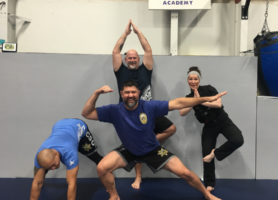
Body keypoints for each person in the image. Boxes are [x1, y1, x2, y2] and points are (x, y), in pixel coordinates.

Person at [81, 80, 227, 200]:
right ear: (121, 94)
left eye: (133, 92)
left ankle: (207, 195)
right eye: (127, 92)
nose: (130, 95)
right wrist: (96, 93)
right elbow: (87, 113)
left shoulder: (149, 106)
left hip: (153, 150)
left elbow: (177, 103)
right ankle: (113, 196)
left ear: (138, 93)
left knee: (186, 173)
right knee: (101, 168)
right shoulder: (114, 111)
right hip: (129, 150)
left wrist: (205, 99)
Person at [112, 19, 176, 189]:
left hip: (148, 111)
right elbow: (115, 51)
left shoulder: (145, 68)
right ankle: (138, 177)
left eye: (134, 57)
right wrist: (125, 34)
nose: (132, 59)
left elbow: (148, 49)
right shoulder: (120, 71)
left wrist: (139, 32)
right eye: (129, 57)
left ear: (138, 59)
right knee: (135, 143)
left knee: (171, 128)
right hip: (127, 114)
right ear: (126, 59)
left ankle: (149, 141)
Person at [179, 66, 244, 192]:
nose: (193, 81)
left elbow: (218, 104)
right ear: (187, 80)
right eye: (190, 79)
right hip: (209, 126)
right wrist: (194, 100)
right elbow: (182, 112)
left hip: (222, 120)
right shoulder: (188, 97)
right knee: (206, 153)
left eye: (195, 79)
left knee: (237, 139)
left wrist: (200, 101)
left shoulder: (209, 88)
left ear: (199, 79)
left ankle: (215, 153)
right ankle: (209, 183)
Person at [30, 118, 103, 200]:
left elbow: (72, 184)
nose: (53, 169)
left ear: (56, 155)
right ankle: (44, 171)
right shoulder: (40, 155)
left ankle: (107, 175)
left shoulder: (70, 154)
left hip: (78, 125)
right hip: (60, 125)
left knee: (95, 157)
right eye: (50, 167)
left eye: (53, 165)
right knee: (40, 176)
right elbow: (37, 182)